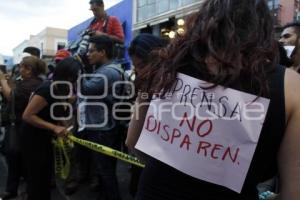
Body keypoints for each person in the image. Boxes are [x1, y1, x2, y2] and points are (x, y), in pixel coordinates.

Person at [126, 0, 300, 200]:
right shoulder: (291, 87)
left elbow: (133, 141)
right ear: (262, 29)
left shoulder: (165, 65)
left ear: (202, 21)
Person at [21, 57, 81, 200]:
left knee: (45, 176)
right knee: (37, 178)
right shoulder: (47, 88)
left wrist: (64, 126)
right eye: (77, 74)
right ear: (68, 75)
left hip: (45, 137)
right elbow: (28, 115)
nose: (79, 78)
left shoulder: (63, 88)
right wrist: (54, 127)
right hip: (33, 138)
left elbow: (56, 113)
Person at [78, 35, 123, 200]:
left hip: (103, 128)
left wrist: (78, 69)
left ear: (103, 52)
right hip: (105, 125)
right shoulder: (109, 69)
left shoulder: (109, 72)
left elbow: (85, 89)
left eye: (91, 51)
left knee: (105, 170)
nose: (87, 55)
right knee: (105, 168)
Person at [127, 33, 168, 197]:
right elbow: (131, 142)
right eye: (136, 66)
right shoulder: (145, 88)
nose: (140, 71)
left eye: (143, 64)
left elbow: (131, 141)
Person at [0, 56, 46, 200]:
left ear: (29, 69)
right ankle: (12, 189)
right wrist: (9, 82)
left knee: (20, 159)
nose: (19, 69)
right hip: (19, 126)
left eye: (21, 67)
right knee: (14, 158)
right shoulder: (28, 82)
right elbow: (14, 91)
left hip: (23, 127)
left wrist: (2, 80)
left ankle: (23, 191)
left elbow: (12, 97)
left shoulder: (33, 84)